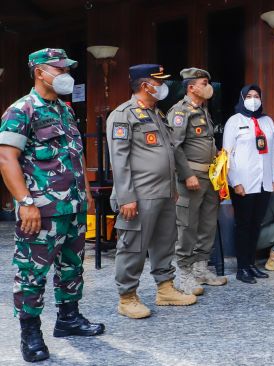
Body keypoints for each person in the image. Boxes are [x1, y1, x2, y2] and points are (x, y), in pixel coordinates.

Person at [0, 48, 104, 363]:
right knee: (32, 272)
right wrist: (26, 202)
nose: (65, 74)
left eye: (67, 68)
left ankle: (68, 318)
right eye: (59, 69)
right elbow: (6, 158)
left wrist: (85, 192)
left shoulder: (65, 110)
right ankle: (30, 334)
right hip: (41, 211)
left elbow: (76, 153)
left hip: (71, 207)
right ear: (39, 72)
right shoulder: (21, 110)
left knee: (72, 267)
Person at [107, 64, 197, 319]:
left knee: (164, 241)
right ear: (146, 85)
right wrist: (126, 197)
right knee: (133, 246)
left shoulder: (156, 113)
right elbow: (119, 159)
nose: (163, 87)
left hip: (164, 193)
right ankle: (127, 297)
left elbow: (168, 151)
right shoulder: (124, 115)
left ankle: (165, 288)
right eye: (158, 82)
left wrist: (172, 187)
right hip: (139, 195)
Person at [167, 68, 227, 295]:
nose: (208, 86)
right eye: (204, 82)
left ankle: (201, 268)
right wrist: (187, 174)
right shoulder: (181, 112)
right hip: (191, 177)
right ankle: (184, 272)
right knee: (187, 225)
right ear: (192, 87)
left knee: (207, 224)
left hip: (210, 176)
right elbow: (175, 145)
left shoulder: (203, 110)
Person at [223, 84, 274, 284]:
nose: (253, 99)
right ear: (242, 98)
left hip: (264, 182)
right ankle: (241, 268)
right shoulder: (234, 121)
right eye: (249, 95)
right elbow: (227, 155)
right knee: (243, 225)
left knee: (256, 225)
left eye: (257, 95)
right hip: (243, 184)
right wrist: (235, 182)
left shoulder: (267, 121)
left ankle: (251, 264)